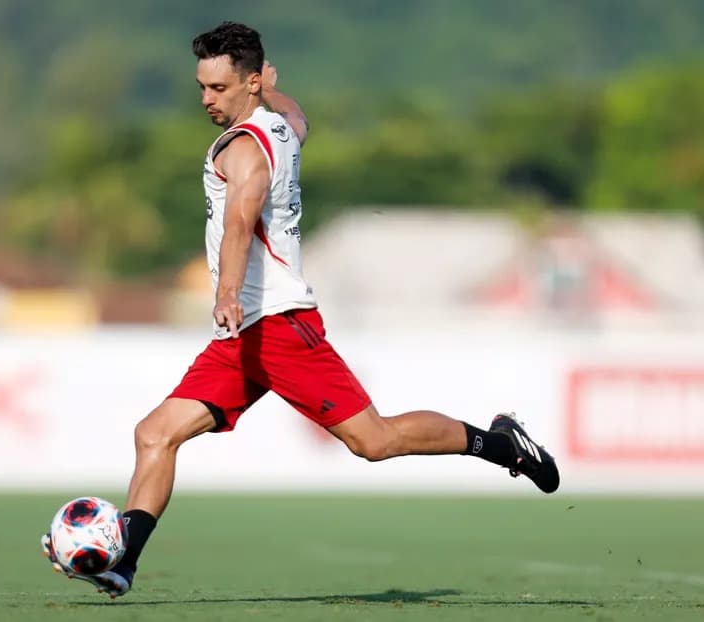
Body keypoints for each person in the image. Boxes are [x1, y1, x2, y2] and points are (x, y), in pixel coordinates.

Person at [42, 21, 560, 598]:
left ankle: (501, 443)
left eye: (219, 88)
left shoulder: (243, 149)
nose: (207, 99)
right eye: (202, 87)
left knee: (374, 441)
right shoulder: (280, 127)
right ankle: (124, 563)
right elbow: (299, 117)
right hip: (245, 335)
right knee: (155, 434)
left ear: (249, 83)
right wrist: (272, 90)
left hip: (277, 325)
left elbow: (241, 222)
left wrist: (227, 291)